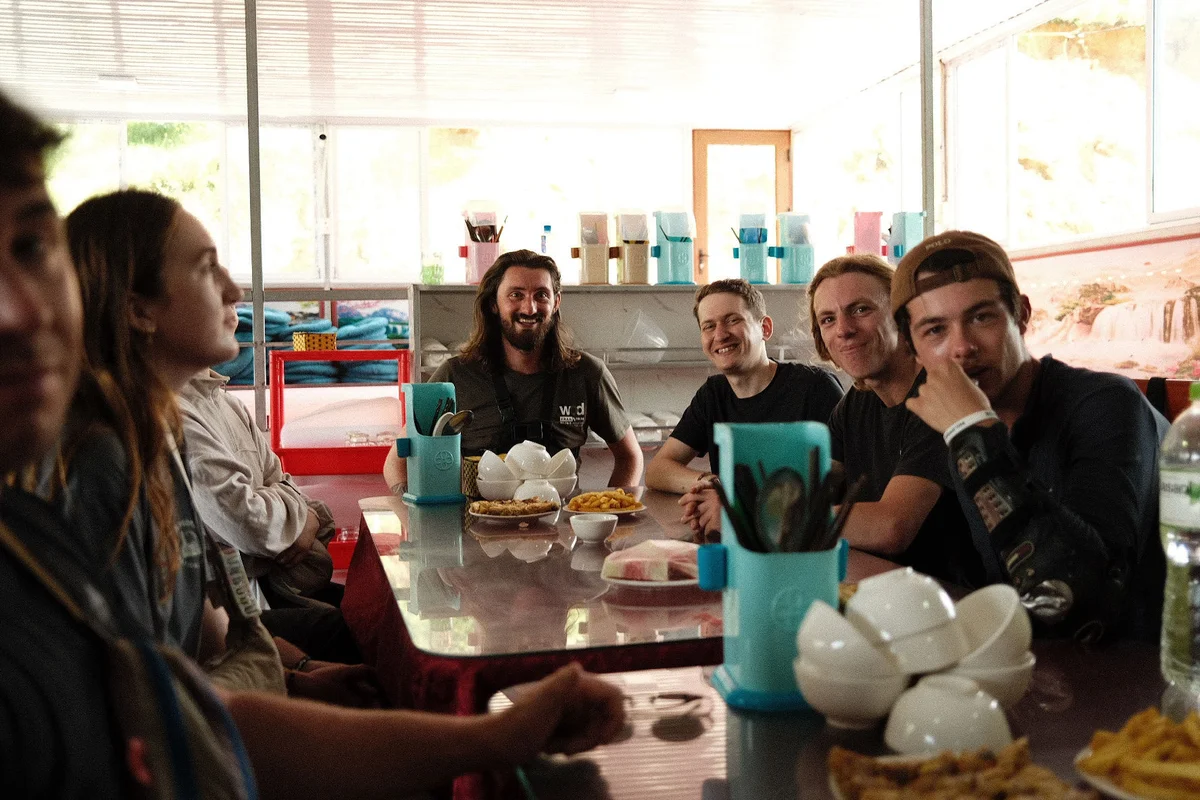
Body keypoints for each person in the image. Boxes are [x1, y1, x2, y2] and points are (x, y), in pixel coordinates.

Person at [0, 88, 625, 799]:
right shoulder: (94, 468)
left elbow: (185, 682)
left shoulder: (147, 442)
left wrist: (304, 677)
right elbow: (180, 719)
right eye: (205, 267)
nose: (22, 310)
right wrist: (485, 738)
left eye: (32, 247)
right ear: (138, 308)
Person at [893, 229, 1167, 641]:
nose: (963, 347)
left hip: (1145, 668)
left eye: (981, 317)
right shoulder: (968, 428)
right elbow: (1014, 588)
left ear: (1021, 314)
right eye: (935, 330)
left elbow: (1080, 601)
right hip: (1046, 665)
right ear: (912, 350)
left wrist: (972, 431)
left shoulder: (1106, 403)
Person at [385, 249, 642, 489]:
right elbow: (396, 462)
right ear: (494, 303)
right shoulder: (455, 375)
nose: (529, 308)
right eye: (516, 295)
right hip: (477, 521)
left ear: (556, 302)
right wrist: (414, 511)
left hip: (562, 521)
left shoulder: (588, 373)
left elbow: (630, 456)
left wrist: (615, 508)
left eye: (541, 295)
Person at [808, 254, 982, 586]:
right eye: (828, 319)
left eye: (861, 309)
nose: (844, 330)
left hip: (956, 601)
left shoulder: (940, 394)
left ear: (904, 318)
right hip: (890, 589)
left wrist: (774, 523)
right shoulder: (856, 403)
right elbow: (813, 490)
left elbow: (891, 527)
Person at [646, 278, 843, 535]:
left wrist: (736, 501)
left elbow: (836, 479)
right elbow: (657, 470)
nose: (720, 335)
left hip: (805, 541)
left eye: (732, 320)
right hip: (738, 540)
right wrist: (712, 484)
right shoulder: (712, 395)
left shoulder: (815, 388)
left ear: (765, 328)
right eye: (709, 326)